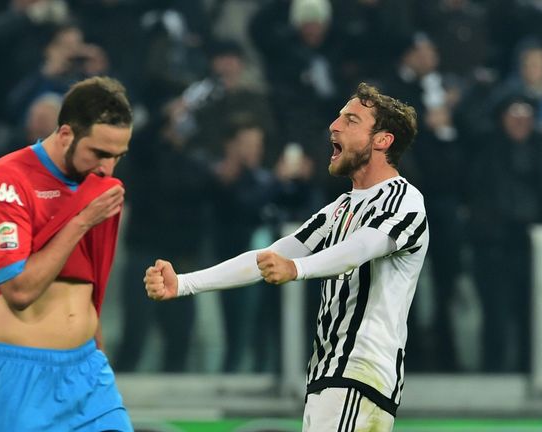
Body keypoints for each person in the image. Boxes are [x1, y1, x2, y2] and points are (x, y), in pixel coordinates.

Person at [145, 82, 427, 432]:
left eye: (351, 120)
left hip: (361, 372)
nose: (334, 126)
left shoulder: (403, 200)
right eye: (338, 117)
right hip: (328, 374)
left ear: (383, 140)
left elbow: (359, 250)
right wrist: (185, 283)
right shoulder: (340, 208)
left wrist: (297, 268)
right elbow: (267, 257)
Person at [0, 76, 134, 432]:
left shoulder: (101, 187)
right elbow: (20, 291)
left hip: (88, 371)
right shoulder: (7, 180)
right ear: (65, 135)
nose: (108, 169)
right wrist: (81, 221)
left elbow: (90, 285)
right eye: (100, 153)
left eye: (118, 156)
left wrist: (97, 353)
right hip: (18, 376)